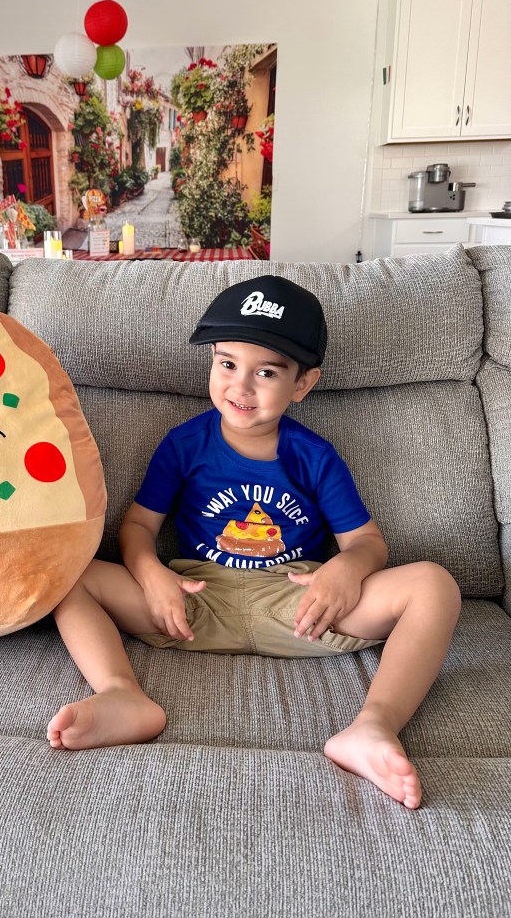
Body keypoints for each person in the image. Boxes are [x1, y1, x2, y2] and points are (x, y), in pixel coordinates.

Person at [47, 275, 461, 810]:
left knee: (433, 584)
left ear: (303, 384)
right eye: (227, 364)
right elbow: (138, 528)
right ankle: (121, 694)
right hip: (193, 600)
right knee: (67, 571)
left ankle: (373, 726)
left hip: (301, 603)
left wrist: (348, 568)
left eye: (266, 372)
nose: (241, 387)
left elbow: (367, 541)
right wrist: (152, 577)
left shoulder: (314, 456)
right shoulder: (184, 444)